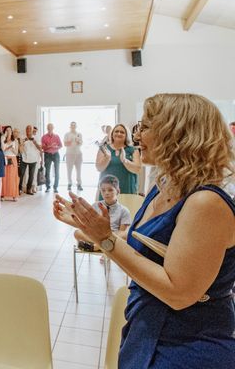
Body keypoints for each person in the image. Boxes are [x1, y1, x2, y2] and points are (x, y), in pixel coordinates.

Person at [53, 93, 235, 368]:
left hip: (188, 341)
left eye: (145, 126)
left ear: (177, 134)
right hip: (147, 325)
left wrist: (105, 239)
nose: (137, 136)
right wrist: (90, 228)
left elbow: (178, 292)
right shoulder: (165, 185)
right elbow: (142, 241)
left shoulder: (206, 202)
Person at [72, 175, 130, 251]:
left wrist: (111, 236)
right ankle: (102, 246)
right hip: (96, 235)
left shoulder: (124, 210)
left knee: (125, 235)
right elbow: (89, 225)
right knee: (77, 232)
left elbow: (121, 232)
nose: (106, 193)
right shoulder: (95, 205)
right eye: (103, 190)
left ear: (118, 191)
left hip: (113, 236)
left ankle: (96, 247)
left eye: (110, 190)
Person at [96, 123, 141, 197]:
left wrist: (124, 160)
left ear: (126, 135)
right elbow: (99, 168)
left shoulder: (133, 150)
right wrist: (107, 158)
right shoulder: (104, 149)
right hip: (107, 191)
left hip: (127, 190)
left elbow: (137, 169)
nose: (119, 133)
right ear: (112, 134)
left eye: (122, 132)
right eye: (116, 131)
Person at [19, 125, 42, 195]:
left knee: (31, 175)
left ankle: (29, 189)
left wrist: (34, 142)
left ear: (32, 130)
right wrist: (22, 142)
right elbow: (20, 149)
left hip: (33, 159)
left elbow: (40, 149)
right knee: (21, 174)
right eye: (27, 128)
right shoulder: (22, 137)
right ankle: (19, 189)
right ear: (26, 130)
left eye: (30, 129)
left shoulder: (37, 138)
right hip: (24, 158)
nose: (28, 130)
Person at [41, 123, 62, 192]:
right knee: (47, 171)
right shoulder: (44, 137)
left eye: (51, 127)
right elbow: (43, 147)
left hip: (56, 154)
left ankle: (55, 187)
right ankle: (48, 187)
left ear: (53, 128)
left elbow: (60, 145)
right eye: (49, 127)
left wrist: (56, 147)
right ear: (47, 128)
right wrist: (49, 146)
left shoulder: (57, 136)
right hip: (47, 154)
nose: (50, 128)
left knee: (57, 171)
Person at [1, 126, 20, 201]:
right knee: (4, 177)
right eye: (7, 130)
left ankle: (14, 195)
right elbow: (2, 150)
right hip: (5, 158)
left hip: (12, 158)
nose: (8, 131)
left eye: (10, 130)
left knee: (12, 177)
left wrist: (11, 148)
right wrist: (5, 145)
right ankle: (3, 195)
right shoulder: (2, 139)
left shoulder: (15, 140)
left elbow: (16, 152)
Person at [64, 121, 84, 191]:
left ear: (76, 126)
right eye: (72, 125)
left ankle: (79, 184)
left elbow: (81, 143)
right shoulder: (67, 134)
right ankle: (69, 183)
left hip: (78, 154)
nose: (73, 126)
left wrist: (77, 140)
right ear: (70, 126)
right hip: (69, 154)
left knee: (79, 170)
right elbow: (65, 144)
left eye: (74, 125)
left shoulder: (79, 134)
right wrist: (70, 141)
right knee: (69, 170)